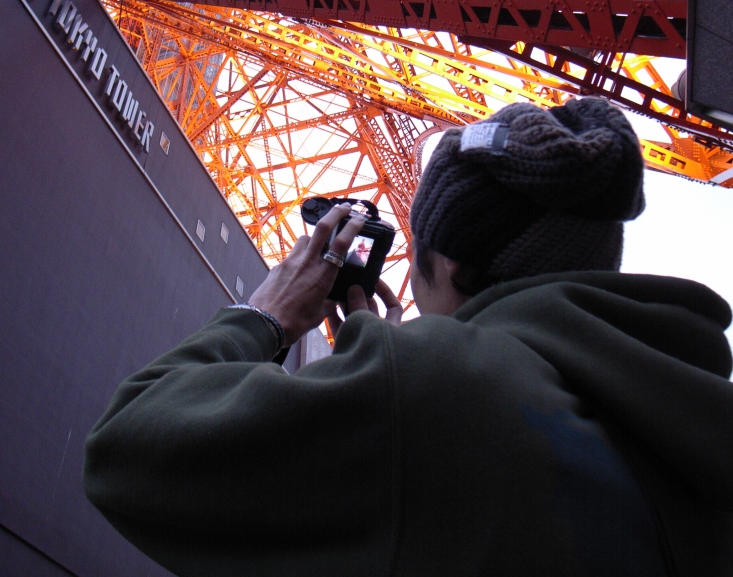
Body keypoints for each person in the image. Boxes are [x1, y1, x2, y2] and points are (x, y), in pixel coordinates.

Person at [84, 97, 733, 577]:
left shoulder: (437, 389)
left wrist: (268, 314)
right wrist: (404, 365)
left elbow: (126, 451)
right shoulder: (685, 417)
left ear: (452, 263)